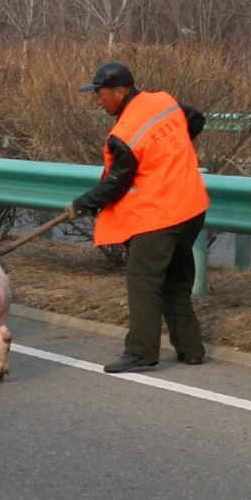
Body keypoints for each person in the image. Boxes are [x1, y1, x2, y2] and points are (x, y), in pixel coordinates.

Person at [67, 61, 209, 373]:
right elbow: (196, 118)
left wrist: (84, 202)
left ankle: (141, 351)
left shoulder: (125, 132)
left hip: (161, 215)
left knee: (142, 279)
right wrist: (173, 156)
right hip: (193, 206)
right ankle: (191, 349)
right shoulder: (163, 101)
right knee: (174, 280)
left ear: (120, 90)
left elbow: (116, 182)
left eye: (100, 93)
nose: (97, 99)